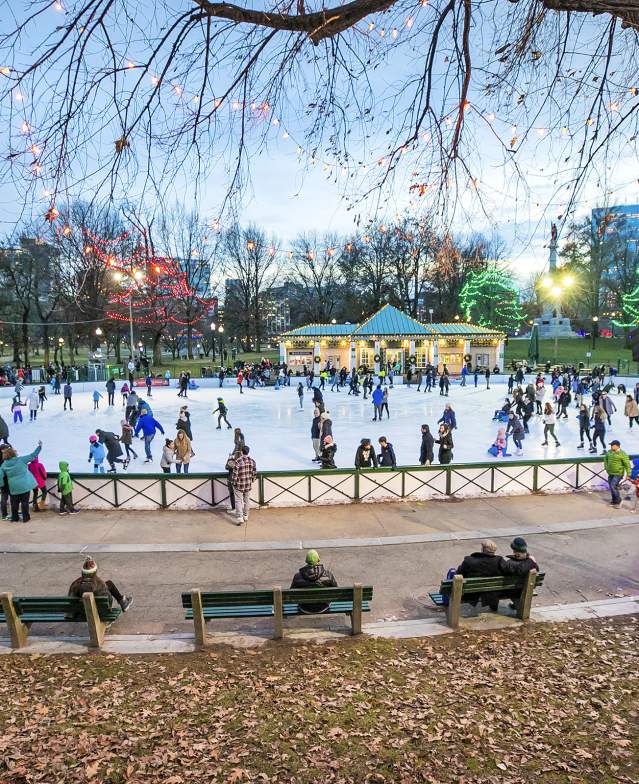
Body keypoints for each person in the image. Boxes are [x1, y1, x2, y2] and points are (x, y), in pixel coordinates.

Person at [68, 555, 132, 614]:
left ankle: (122, 601)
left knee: (109, 584)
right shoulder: (100, 584)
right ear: (95, 571)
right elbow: (109, 599)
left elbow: (70, 598)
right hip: (100, 612)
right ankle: (122, 601)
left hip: (81, 612)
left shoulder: (75, 584)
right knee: (108, 586)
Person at [0, 441, 43, 522]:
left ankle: (15, 518)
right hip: (24, 485)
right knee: (24, 502)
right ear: (13, 453)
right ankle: (26, 518)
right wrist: (39, 447)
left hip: (13, 486)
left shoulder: (4, 464)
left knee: (14, 503)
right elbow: (33, 455)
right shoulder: (21, 460)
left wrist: (1, 485)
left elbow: (0, 476)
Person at [455, 540, 503, 611]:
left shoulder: (469, 561)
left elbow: (459, 573)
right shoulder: (499, 561)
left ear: (483, 549)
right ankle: (493, 606)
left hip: (471, 593)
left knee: (454, 576)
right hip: (492, 592)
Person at [290, 549, 338, 613]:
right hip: (323, 606)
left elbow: (291, 594)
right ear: (318, 560)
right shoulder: (328, 575)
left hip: (304, 607)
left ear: (306, 561)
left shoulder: (298, 576)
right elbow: (336, 591)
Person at [231, 445, 257, 525]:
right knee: (247, 501)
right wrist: (251, 481)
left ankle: (240, 518)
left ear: (241, 452)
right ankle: (245, 516)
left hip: (239, 485)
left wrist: (234, 483)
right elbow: (254, 474)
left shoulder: (238, 461)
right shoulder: (252, 461)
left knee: (238, 501)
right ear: (248, 452)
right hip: (248, 485)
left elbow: (235, 475)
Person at [603, 439, 631, 509]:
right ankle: (614, 501)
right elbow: (605, 460)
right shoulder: (609, 452)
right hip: (610, 473)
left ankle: (618, 501)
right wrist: (606, 468)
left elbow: (627, 464)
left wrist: (628, 474)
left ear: (617, 446)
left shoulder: (622, 454)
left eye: (612, 445)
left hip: (618, 473)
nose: (611, 446)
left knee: (613, 486)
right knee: (611, 486)